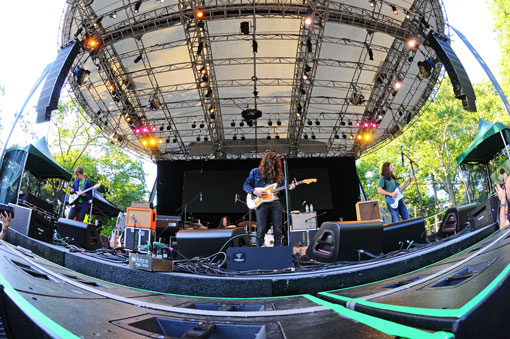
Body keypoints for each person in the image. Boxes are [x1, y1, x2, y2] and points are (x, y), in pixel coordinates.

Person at [243, 151, 295, 246]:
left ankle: (277, 252)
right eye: (272, 160)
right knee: (261, 229)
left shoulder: (280, 174)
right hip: (262, 203)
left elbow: (282, 192)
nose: (273, 163)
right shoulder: (256, 171)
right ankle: (258, 253)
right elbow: (245, 185)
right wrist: (254, 191)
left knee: (277, 230)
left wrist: (289, 188)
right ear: (266, 161)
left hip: (276, 203)